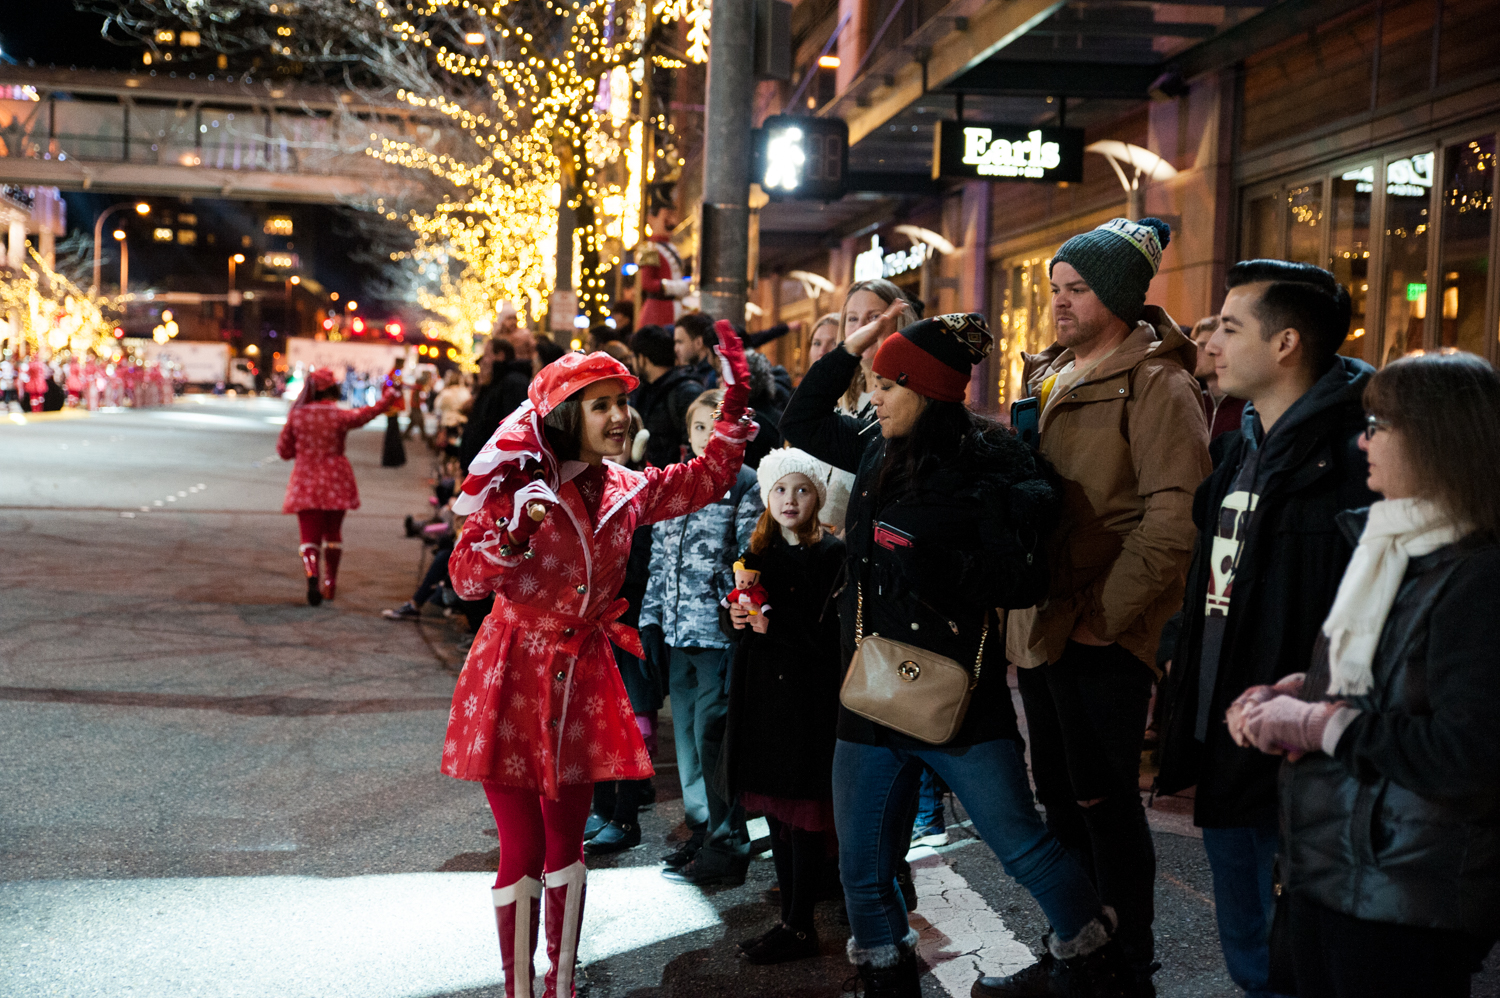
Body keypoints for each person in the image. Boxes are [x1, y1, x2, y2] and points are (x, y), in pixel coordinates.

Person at [783, 306, 1133, 998]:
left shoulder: (989, 467)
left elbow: (1025, 580)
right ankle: (885, 975)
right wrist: (853, 348)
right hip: (870, 688)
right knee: (862, 864)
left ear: (929, 391)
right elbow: (801, 420)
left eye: (889, 385)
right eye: (874, 384)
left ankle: (1095, 961)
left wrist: (934, 566)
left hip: (958, 698)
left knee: (1023, 847)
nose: (874, 397)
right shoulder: (878, 446)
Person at [441, 329, 757, 998]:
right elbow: (466, 580)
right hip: (513, 675)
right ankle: (519, 988)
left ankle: (561, 984)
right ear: (564, 416)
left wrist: (733, 407)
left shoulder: (625, 487)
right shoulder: (514, 486)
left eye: (621, 402)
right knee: (522, 851)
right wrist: (514, 533)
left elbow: (702, 480)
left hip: (583, 673)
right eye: (599, 405)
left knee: (570, 850)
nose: (619, 417)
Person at [1229, 351, 1500, 998]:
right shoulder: (1389, 544)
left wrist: (1321, 723)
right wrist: (1299, 693)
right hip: (1331, 873)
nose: (1362, 439)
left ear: (1441, 438)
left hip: (1407, 896)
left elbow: (1469, 753)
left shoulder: (1477, 577)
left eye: (1380, 425)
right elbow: (1387, 685)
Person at [1154, 260, 1376, 998]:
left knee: (1314, 940)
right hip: (1229, 725)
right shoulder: (1240, 445)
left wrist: (1312, 713)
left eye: (1228, 326)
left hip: (1307, 741)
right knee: (1247, 933)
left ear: (1285, 344)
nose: (1209, 341)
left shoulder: (1356, 458)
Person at [1007, 218, 1211, 996]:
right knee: (1059, 796)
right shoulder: (1048, 372)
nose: (1059, 304)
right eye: (1055, 289)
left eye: (1077, 290)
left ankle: (1126, 962)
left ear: (1120, 296)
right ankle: (1078, 948)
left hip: (1102, 630)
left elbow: (1173, 519)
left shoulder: (1157, 384)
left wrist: (1105, 615)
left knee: (1104, 802)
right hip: (1044, 625)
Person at [721, 447, 845, 965]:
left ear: (817, 496)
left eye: (800, 489)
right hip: (764, 702)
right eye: (779, 490)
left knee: (805, 815)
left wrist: (777, 626)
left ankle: (801, 923)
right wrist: (737, 616)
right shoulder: (759, 553)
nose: (789, 499)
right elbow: (742, 626)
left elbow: (833, 638)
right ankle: (790, 920)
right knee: (777, 815)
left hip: (807, 704)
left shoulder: (831, 555)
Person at [639, 388, 762, 886]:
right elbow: (658, 559)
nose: (708, 436)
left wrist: (737, 614)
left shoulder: (746, 484)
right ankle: (703, 825)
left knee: (715, 737)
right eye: (699, 428)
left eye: (717, 426)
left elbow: (751, 559)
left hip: (716, 634)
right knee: (687, 736)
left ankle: (728, 837)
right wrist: (649, 619)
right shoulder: (677, 484)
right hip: (675, 631)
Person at [585, 405, 661, 856]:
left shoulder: (635, 491)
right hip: (595, 624)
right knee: (594, 717)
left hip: (627, 619)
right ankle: (600, 806)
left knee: (631, 719)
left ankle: (626, 815)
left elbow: (642, 563)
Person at [276, 367, 399, 605]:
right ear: (332, 388)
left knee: (309, 536)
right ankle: (330, 584)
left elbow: (283, 450)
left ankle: (312, 574)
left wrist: (302, 450)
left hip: (306, 480)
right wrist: (390, 397)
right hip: (336, 479)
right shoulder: (338, 415)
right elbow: (366, 414)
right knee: (333, 534)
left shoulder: (298, 415)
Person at [836, 280, 918, 418]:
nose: (861, 327)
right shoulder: (839, 394)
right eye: (853, 319)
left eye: (875, 317)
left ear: (900, 322)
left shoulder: (911, 395)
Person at [629, 324, 703, 468]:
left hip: (674, 482)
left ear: (642, 359)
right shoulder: (644, 391)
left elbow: (695, 445)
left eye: (633, 356)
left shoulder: (685, 392)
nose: (631, 363)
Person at [461, 337, 534, 475]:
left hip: (494, 471)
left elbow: (513, 430)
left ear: (499, 355)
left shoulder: (512, 383)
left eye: (487, 354)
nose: (483, 361)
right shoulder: (495, 383)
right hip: (482, 469)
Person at [638, 185, 691, 328]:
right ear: (651, 219)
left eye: (673, 216)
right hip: (658, 313)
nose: (672, 222)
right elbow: (647, 283)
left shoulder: (672, 247)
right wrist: (676, 287)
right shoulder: (649, 249)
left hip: (675, 309)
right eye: (666, 218)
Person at [1190, 315, 1248, 445]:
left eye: (1203, 346)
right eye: (1195, 345)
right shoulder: (1194, 402)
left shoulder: (1246, 406)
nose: (1195, 352)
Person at [674, 312, 720, 389]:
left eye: (680, 342)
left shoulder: (712, 379)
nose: (676, 349)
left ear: (698, 342)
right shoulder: (695, 374)